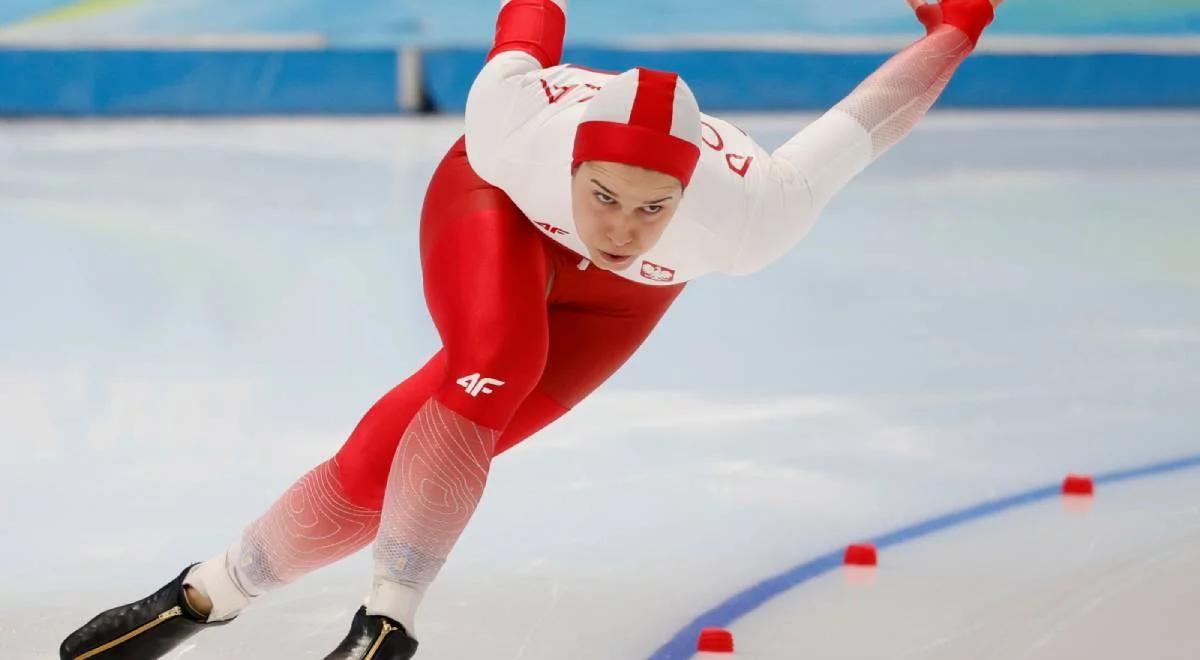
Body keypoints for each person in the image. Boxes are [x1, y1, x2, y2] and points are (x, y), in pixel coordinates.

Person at [58, 0, 1002, 658]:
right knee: (495, 362)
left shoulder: (754, 210)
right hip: (494, 208)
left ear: (690, 193)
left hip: (618, 307)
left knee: (406, 456)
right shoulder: (518, 125)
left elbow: (869, 120)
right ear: (577, 161)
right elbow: (530, 19)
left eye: (653, 207)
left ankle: (202, 596)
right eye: (606, 197)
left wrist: (960, 28)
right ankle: (390, 626)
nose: (622, 229)